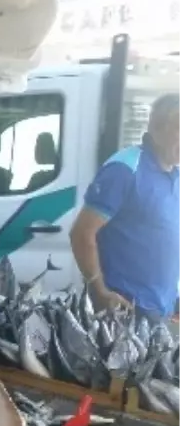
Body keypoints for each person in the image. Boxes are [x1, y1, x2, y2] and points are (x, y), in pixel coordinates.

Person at [69, 93, 180, 317]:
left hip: (161, 309)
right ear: (159, 129)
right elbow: (81, 233)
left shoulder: (175, 172)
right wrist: (99, 290)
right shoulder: (125, 168)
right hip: (124, 311)